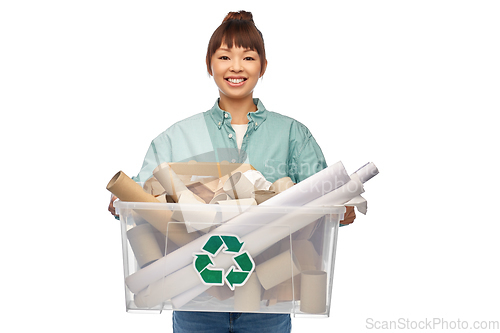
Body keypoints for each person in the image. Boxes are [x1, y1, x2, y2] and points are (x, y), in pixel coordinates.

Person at [109, 10, 355, 332]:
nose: (236, 67)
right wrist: (122, 206)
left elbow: (322, 196)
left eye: (248, 57)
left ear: (263, 66)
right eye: (225, 56)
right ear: (209, 64)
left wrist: (341, 209)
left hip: (270, 298)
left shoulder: (292, 134)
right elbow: (143, 199)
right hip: (194, 297)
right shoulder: (176, 138)